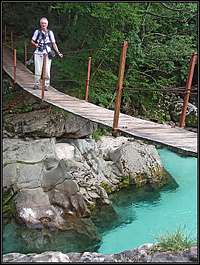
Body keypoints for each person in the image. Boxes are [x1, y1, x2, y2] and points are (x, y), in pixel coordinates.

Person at [31, 17, 63, 90]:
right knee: (38, 69)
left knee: (47, 70)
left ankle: (46, 85)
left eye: (45, 23)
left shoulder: (50, 32)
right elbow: (32, 41)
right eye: (42, 23)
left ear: (47, 24)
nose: (43, 25)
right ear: (40, 24)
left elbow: (54, 43)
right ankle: (36, 84)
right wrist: (35, 44)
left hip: (48, 53)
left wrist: (58, 52)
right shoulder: (37, 32)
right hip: (38, 52)